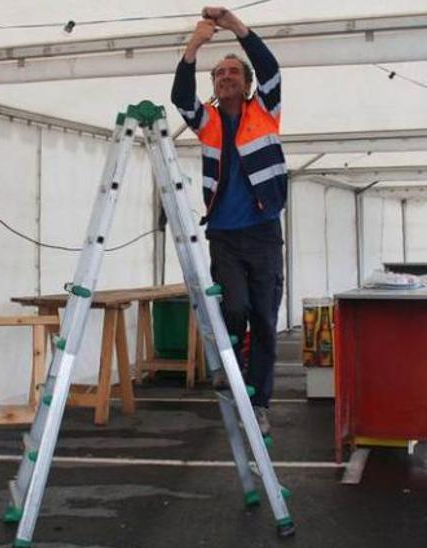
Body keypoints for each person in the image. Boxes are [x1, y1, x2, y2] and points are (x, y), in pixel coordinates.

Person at [171, 6, 287, 435]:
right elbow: (181, 98)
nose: (226, 77)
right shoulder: (208, 121)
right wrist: (195, 44)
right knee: (234, 307)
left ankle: (260, 403)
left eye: (233, 71)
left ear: (246, 82)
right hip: (223, 234)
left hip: (263, 232)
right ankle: (230, 367)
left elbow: (271, 68)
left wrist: (236, 27)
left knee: (266, 322)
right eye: (219, 74)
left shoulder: (266, 110)